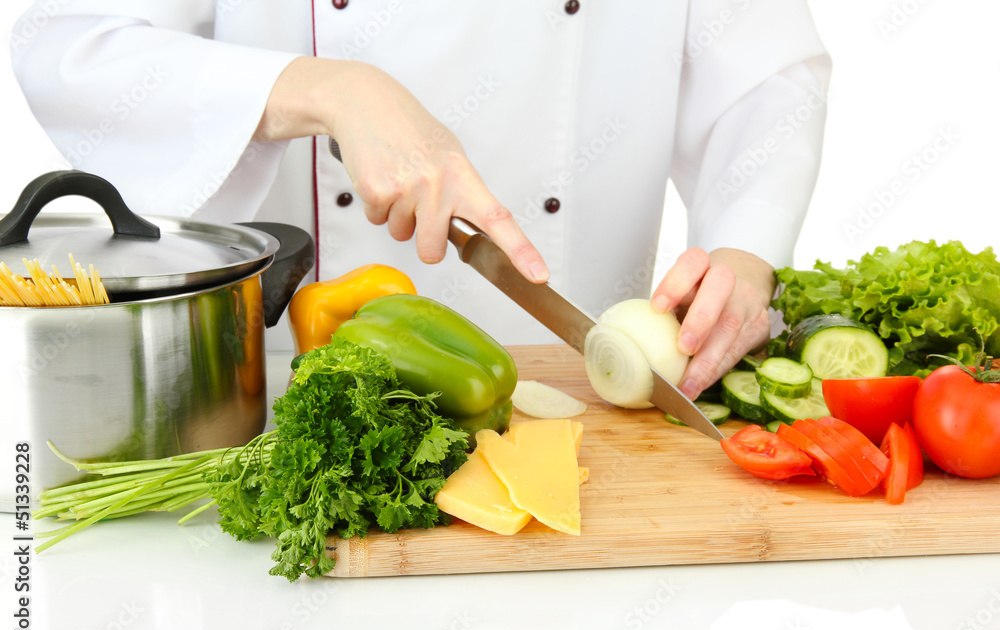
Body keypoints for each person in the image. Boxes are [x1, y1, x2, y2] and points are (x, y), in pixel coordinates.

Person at [10, 1, 831, 400]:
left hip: (594, 408)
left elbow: (767, 72)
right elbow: (70, 43)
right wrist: (325, 87)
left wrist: (745, 249)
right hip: (298, 410)